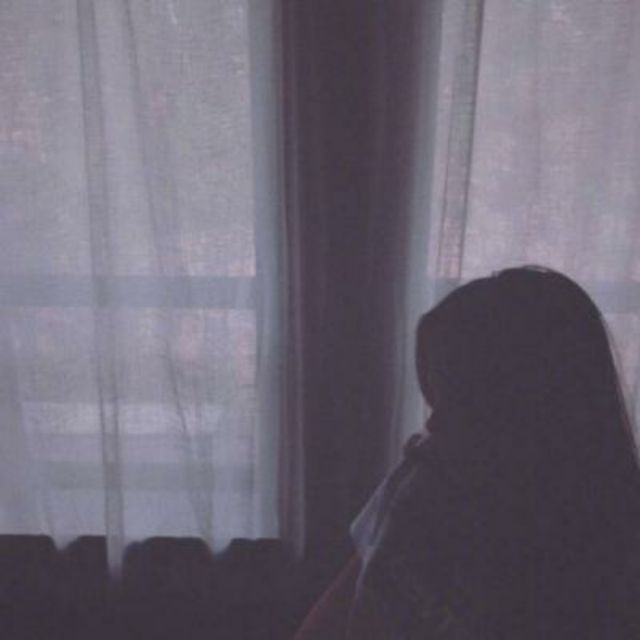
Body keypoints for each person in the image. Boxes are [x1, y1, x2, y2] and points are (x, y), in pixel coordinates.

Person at [293, 266, 640, 639]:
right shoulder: (418, 486)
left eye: (463, 399)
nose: (434, 423)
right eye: (436, 395)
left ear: (542, 403)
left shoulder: (602, 547)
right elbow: (328, 621)